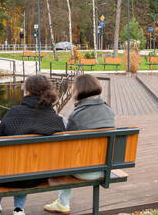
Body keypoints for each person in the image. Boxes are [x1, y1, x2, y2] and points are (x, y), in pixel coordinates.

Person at [0, 75, 66, 215]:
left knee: (3, 163)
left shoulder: (13, 113)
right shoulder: (56, 120)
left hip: (7, 176)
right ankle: (18, 208)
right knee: (27, 164)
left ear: (27, 92)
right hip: (39, 175)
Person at [44, 74, 115, 215]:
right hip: (105, 169)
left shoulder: (77, 115)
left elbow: (67, 144)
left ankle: (63, 203)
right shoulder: (109, 110)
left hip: (83, 171)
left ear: (79, 91)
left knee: (66, 156)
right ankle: (62, 202)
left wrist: (58, 121)